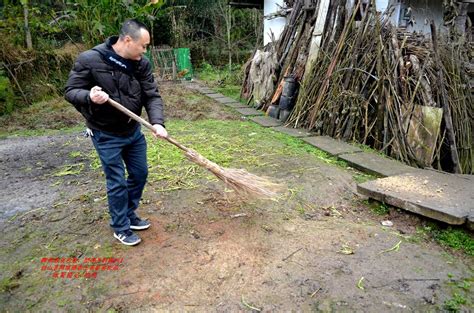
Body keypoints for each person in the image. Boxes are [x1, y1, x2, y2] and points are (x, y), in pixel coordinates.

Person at [65, 19, 167, 246]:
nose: (145, 50)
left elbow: (152, 95)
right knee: (117, 181)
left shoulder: (142, 64)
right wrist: (89, 96)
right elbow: (71, 91)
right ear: (128, 40)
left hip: (133, 130)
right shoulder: (90, 59)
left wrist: (157, 122)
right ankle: (120, 226)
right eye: (143, 45)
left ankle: (129, 214)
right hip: (105, 133)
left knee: (140, 174)